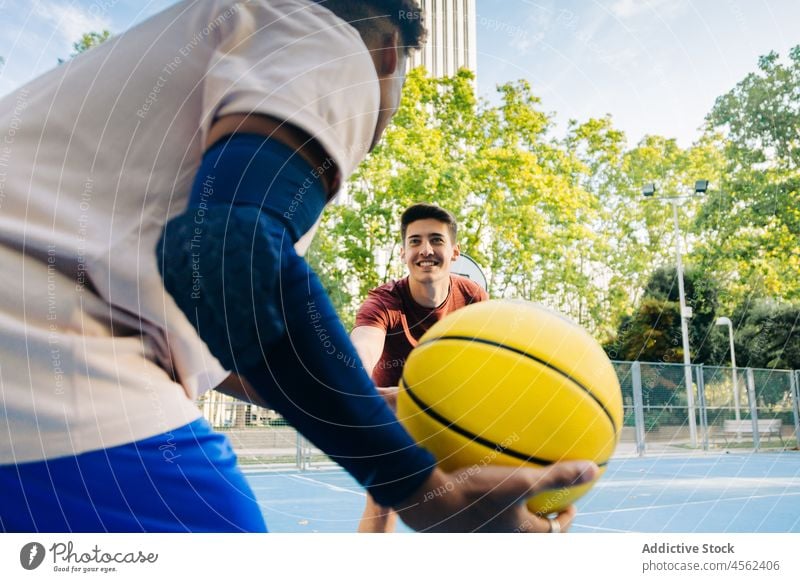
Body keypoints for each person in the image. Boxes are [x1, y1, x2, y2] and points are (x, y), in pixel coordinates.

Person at [0, 0, 596, 533]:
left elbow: (217, 306)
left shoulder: (198, 45)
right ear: (390, 53)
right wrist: (421, 489)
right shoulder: (329, 34)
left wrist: (361, 403)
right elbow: (224, 251)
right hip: (44, 363)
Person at [351, 203, 488, 532]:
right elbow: (361, 352)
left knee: (481, 497)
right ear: (403, 253)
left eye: (436, 240)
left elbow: (486, 363)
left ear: (454, 252)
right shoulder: (384, 301)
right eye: (415, 241)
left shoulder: (472, 298)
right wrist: (359, 386)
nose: (425, 250)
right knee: (384, 500)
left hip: (451, 412)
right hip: (394, 414)